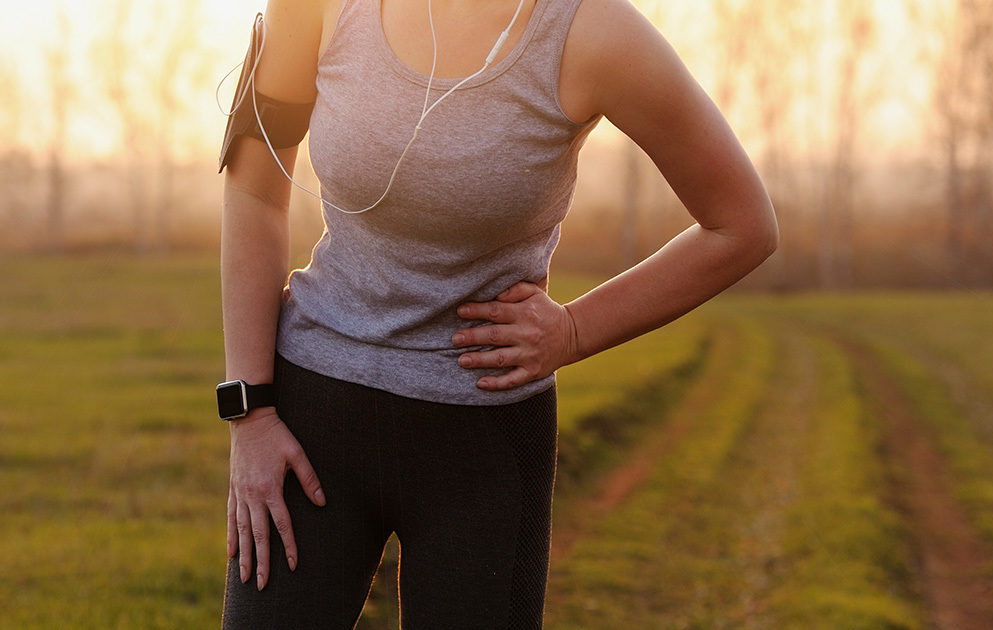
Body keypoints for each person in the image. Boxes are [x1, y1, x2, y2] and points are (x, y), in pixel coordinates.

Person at [217, 0, 777, 626]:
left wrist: (574, 329)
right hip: (306, 428)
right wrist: (251, 413)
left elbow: (741, 226)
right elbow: (253, 190)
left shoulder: (591, 31)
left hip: (484, 445)